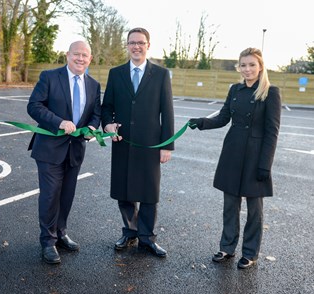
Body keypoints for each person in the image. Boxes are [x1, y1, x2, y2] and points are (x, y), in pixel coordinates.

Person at [189, 47, 281, 269]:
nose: (247, 69)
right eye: (243, 65)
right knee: (230, 204)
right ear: (239, 67)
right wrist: (202, 122)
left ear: (260, 67)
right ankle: (227, 247)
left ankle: (250, 253)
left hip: (256, 157)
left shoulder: (270, 92)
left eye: (251, 65)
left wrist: (265, 165)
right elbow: (222, 118)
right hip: (232, 152)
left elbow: (272, 132)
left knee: (254, 210)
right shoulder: (235, 90)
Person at [101, 28, 174, 258]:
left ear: (148, 45)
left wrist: (167, 144)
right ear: (127, 45)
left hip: (150, 145)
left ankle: (147, 238)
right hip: (122, 142)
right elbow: (107, 107)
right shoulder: (116, 73)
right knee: (124, 191)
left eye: (141, 43)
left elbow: (167, 112)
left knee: (149, 192)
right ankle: (129, 232)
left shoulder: (161, 74)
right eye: (132, 42)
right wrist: (107, 125)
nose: (136, 46)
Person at [27, 41, 101, 264]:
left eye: (85, 55)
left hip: (76, 149)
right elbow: (34, 106)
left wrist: (91, 128)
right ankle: (47, 241)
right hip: (49, 149)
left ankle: (61, 233)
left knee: (67, 195)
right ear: (67, 55)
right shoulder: (49, 77)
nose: (80, 58)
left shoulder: (94, 84)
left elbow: (95, 114)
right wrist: (59, 122)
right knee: (50, 195)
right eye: (76, 54)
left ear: (90, 59)